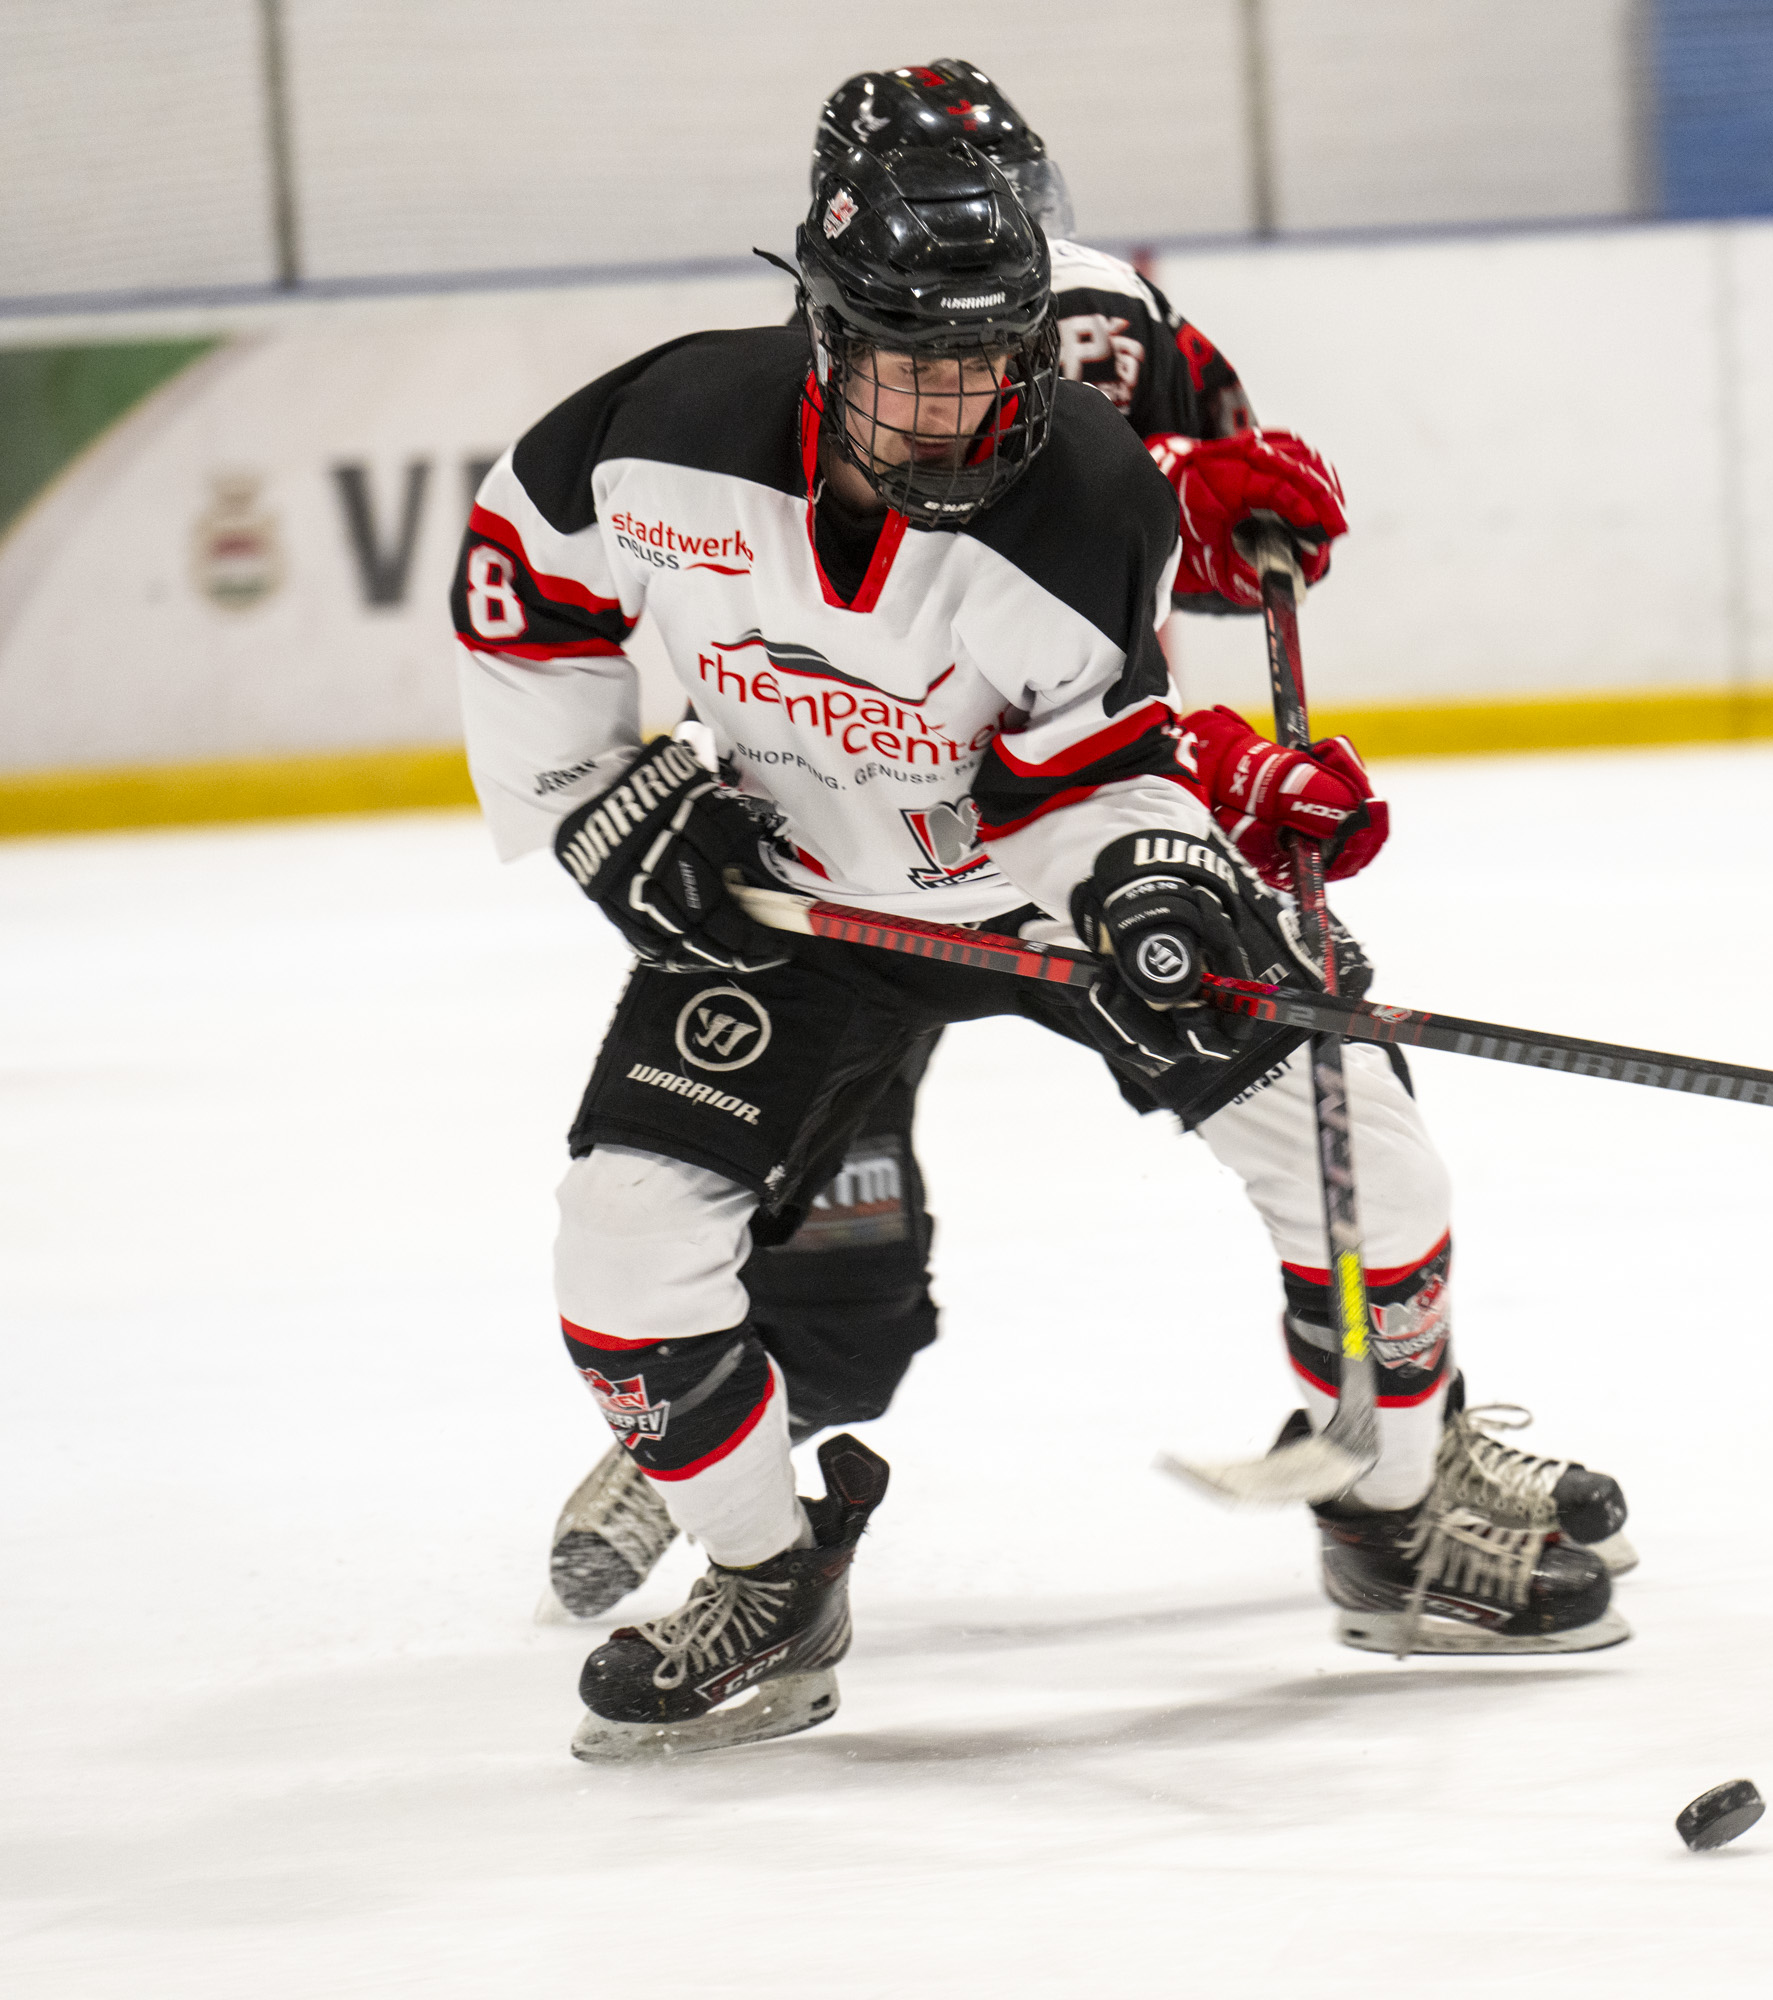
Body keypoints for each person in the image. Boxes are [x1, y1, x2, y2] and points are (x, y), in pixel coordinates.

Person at [458, 134, 1626, 1760]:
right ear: (823, 323)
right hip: (797, 894)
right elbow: (522, 582)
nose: (952, 410)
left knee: (1371, 1155)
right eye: (906, 368)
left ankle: (1398, 1509)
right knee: (645, 1243)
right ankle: (761, 1578)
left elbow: (1096, 754)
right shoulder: (658, 434)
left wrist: (1151, 881)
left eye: (985, 363)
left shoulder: (1085, 478)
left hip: (1024, 883)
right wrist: (598, 797)